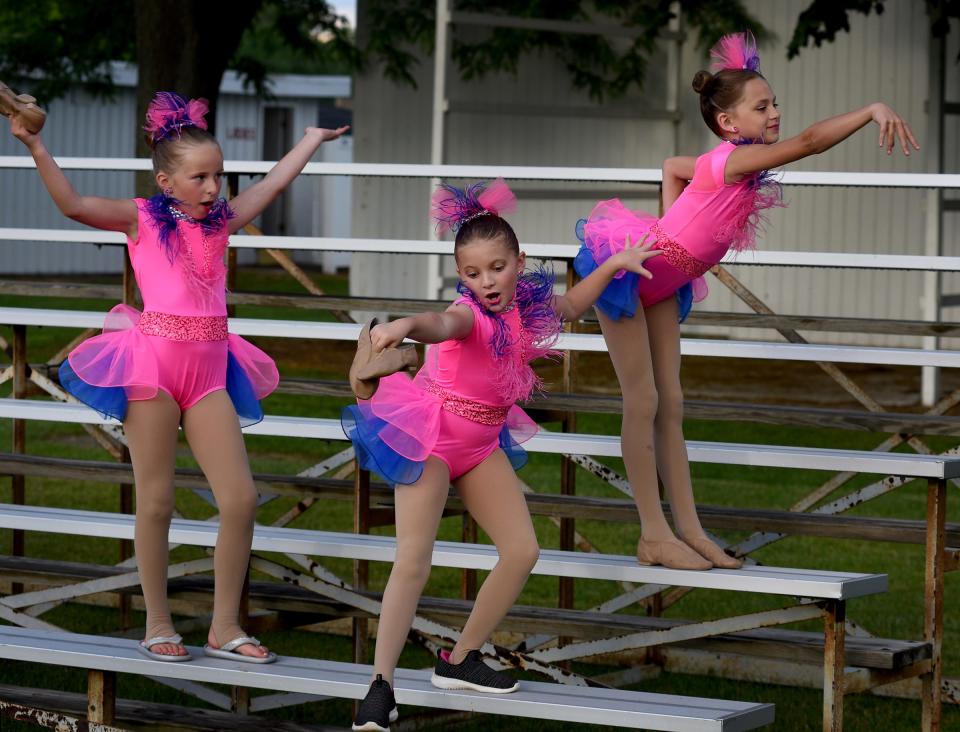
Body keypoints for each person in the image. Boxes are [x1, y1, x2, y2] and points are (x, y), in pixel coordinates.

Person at [7, 91, 348, 662]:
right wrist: (36, 144)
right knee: (158, 501)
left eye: (218, 175)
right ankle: (159, 623)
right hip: (155, 371)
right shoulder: (140, 218)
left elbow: (271, 186)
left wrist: (310, 140)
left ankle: (224, 625)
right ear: (167, 182)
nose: (214, 188)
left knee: (239, 499)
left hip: (210, 372)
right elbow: (72, 204)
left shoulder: (221, 222)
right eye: (200, 178)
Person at [574, 31, 919, 571]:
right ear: (729, 124)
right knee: (641, 402)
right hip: (628, 275)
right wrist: (871, 109)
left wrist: (669, 228)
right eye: (763, 107)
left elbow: (670, 164)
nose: (775, 112)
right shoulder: (731, 162)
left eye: (775, 102)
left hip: (667, 279)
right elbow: (807, 142)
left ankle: (690, 530)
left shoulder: (732, 160)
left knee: (673, 405)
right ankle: (652, 534)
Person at [342, 179, 660, 731]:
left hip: (483, 440)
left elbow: (571, 304)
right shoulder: (467, 315)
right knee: (413, 560)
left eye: (496, 267)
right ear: (460, 276)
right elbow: (437, 323)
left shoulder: (527, 307)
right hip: (433, 438)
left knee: (521, 550)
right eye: (471, 273)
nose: (485, 282)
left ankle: (461, 657)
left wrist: (614, 266)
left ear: (519, 262)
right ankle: (380, 686)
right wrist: (400, 327)